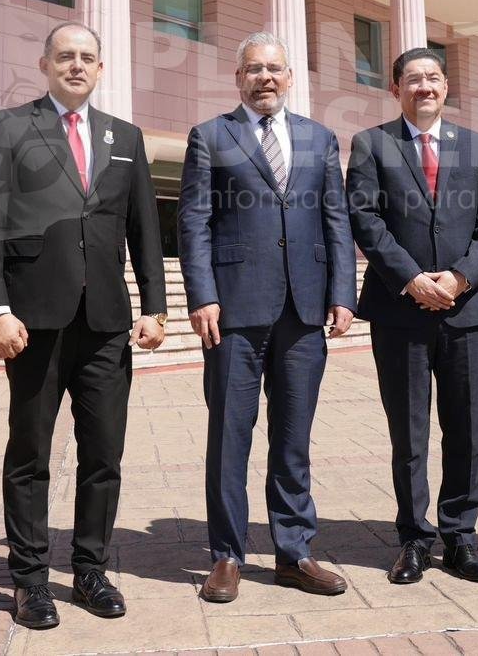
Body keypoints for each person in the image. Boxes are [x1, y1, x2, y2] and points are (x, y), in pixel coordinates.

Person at [0, 23, 167, 629]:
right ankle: (29, 580)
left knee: (104, 452)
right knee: (30, 452)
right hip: (33, 321)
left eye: (87, 57)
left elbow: (145, 230)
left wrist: (154, 306)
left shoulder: (124, 137)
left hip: (105, 322)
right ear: (45, 64)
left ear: (100, 68)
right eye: (65, 56)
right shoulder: (8, 128)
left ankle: (90, 571)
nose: (76, 65)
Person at [178, 31, 356, 603]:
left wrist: (343, 292)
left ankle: (294, 552)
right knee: (230, 435)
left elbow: (335, 218)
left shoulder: (319, 138)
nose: (265, 78)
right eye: (254, 69)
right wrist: (202, 295)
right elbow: (194, 221)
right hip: (232, 310)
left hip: (304, 311)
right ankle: (226, 555)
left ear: (289, 77)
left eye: (274, 68)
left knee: (293, 436)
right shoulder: (211, 136)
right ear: (238, 78)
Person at [346, 47, 478, 585]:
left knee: (465, 429)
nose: (425, 87)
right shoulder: (372, 144)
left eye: (433, 77)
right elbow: (365, 218)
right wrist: (410, 277)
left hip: (466, 310)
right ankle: (414, 539)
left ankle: (460, 537)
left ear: (445, 86)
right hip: (400, 311)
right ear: (395, 89)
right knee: (409, 432)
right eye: (413, 79)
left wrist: (459, 278)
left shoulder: (476, 146)